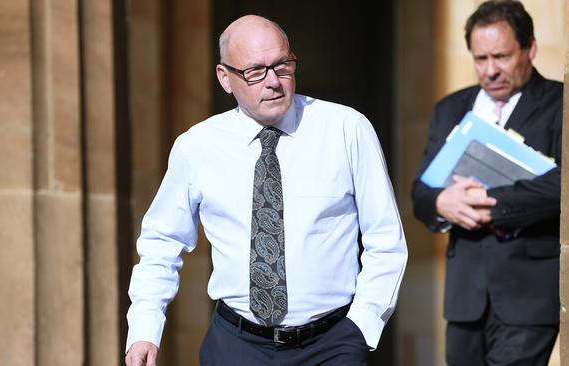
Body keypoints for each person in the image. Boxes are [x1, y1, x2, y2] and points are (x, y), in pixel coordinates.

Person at [125, 15, 407, 366]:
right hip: (237, 345)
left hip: (332, 344)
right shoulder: (196, 147)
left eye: (282, 65)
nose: (273, 82)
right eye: (255, 71)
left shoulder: (347, 129)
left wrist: (361, 328)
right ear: (225, 78)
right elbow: (161, 243)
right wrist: (144, 328)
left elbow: (386, 239)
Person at [411, 1, 562, 365]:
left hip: (528, 296)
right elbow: (420, 191)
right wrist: (441, 204)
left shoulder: (562, 103)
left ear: (530, 49)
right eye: (480, 59)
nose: (490, 70)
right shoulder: (449, 108)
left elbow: (563, 187)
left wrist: (488, 200)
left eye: (502, 56)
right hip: (465, 299)